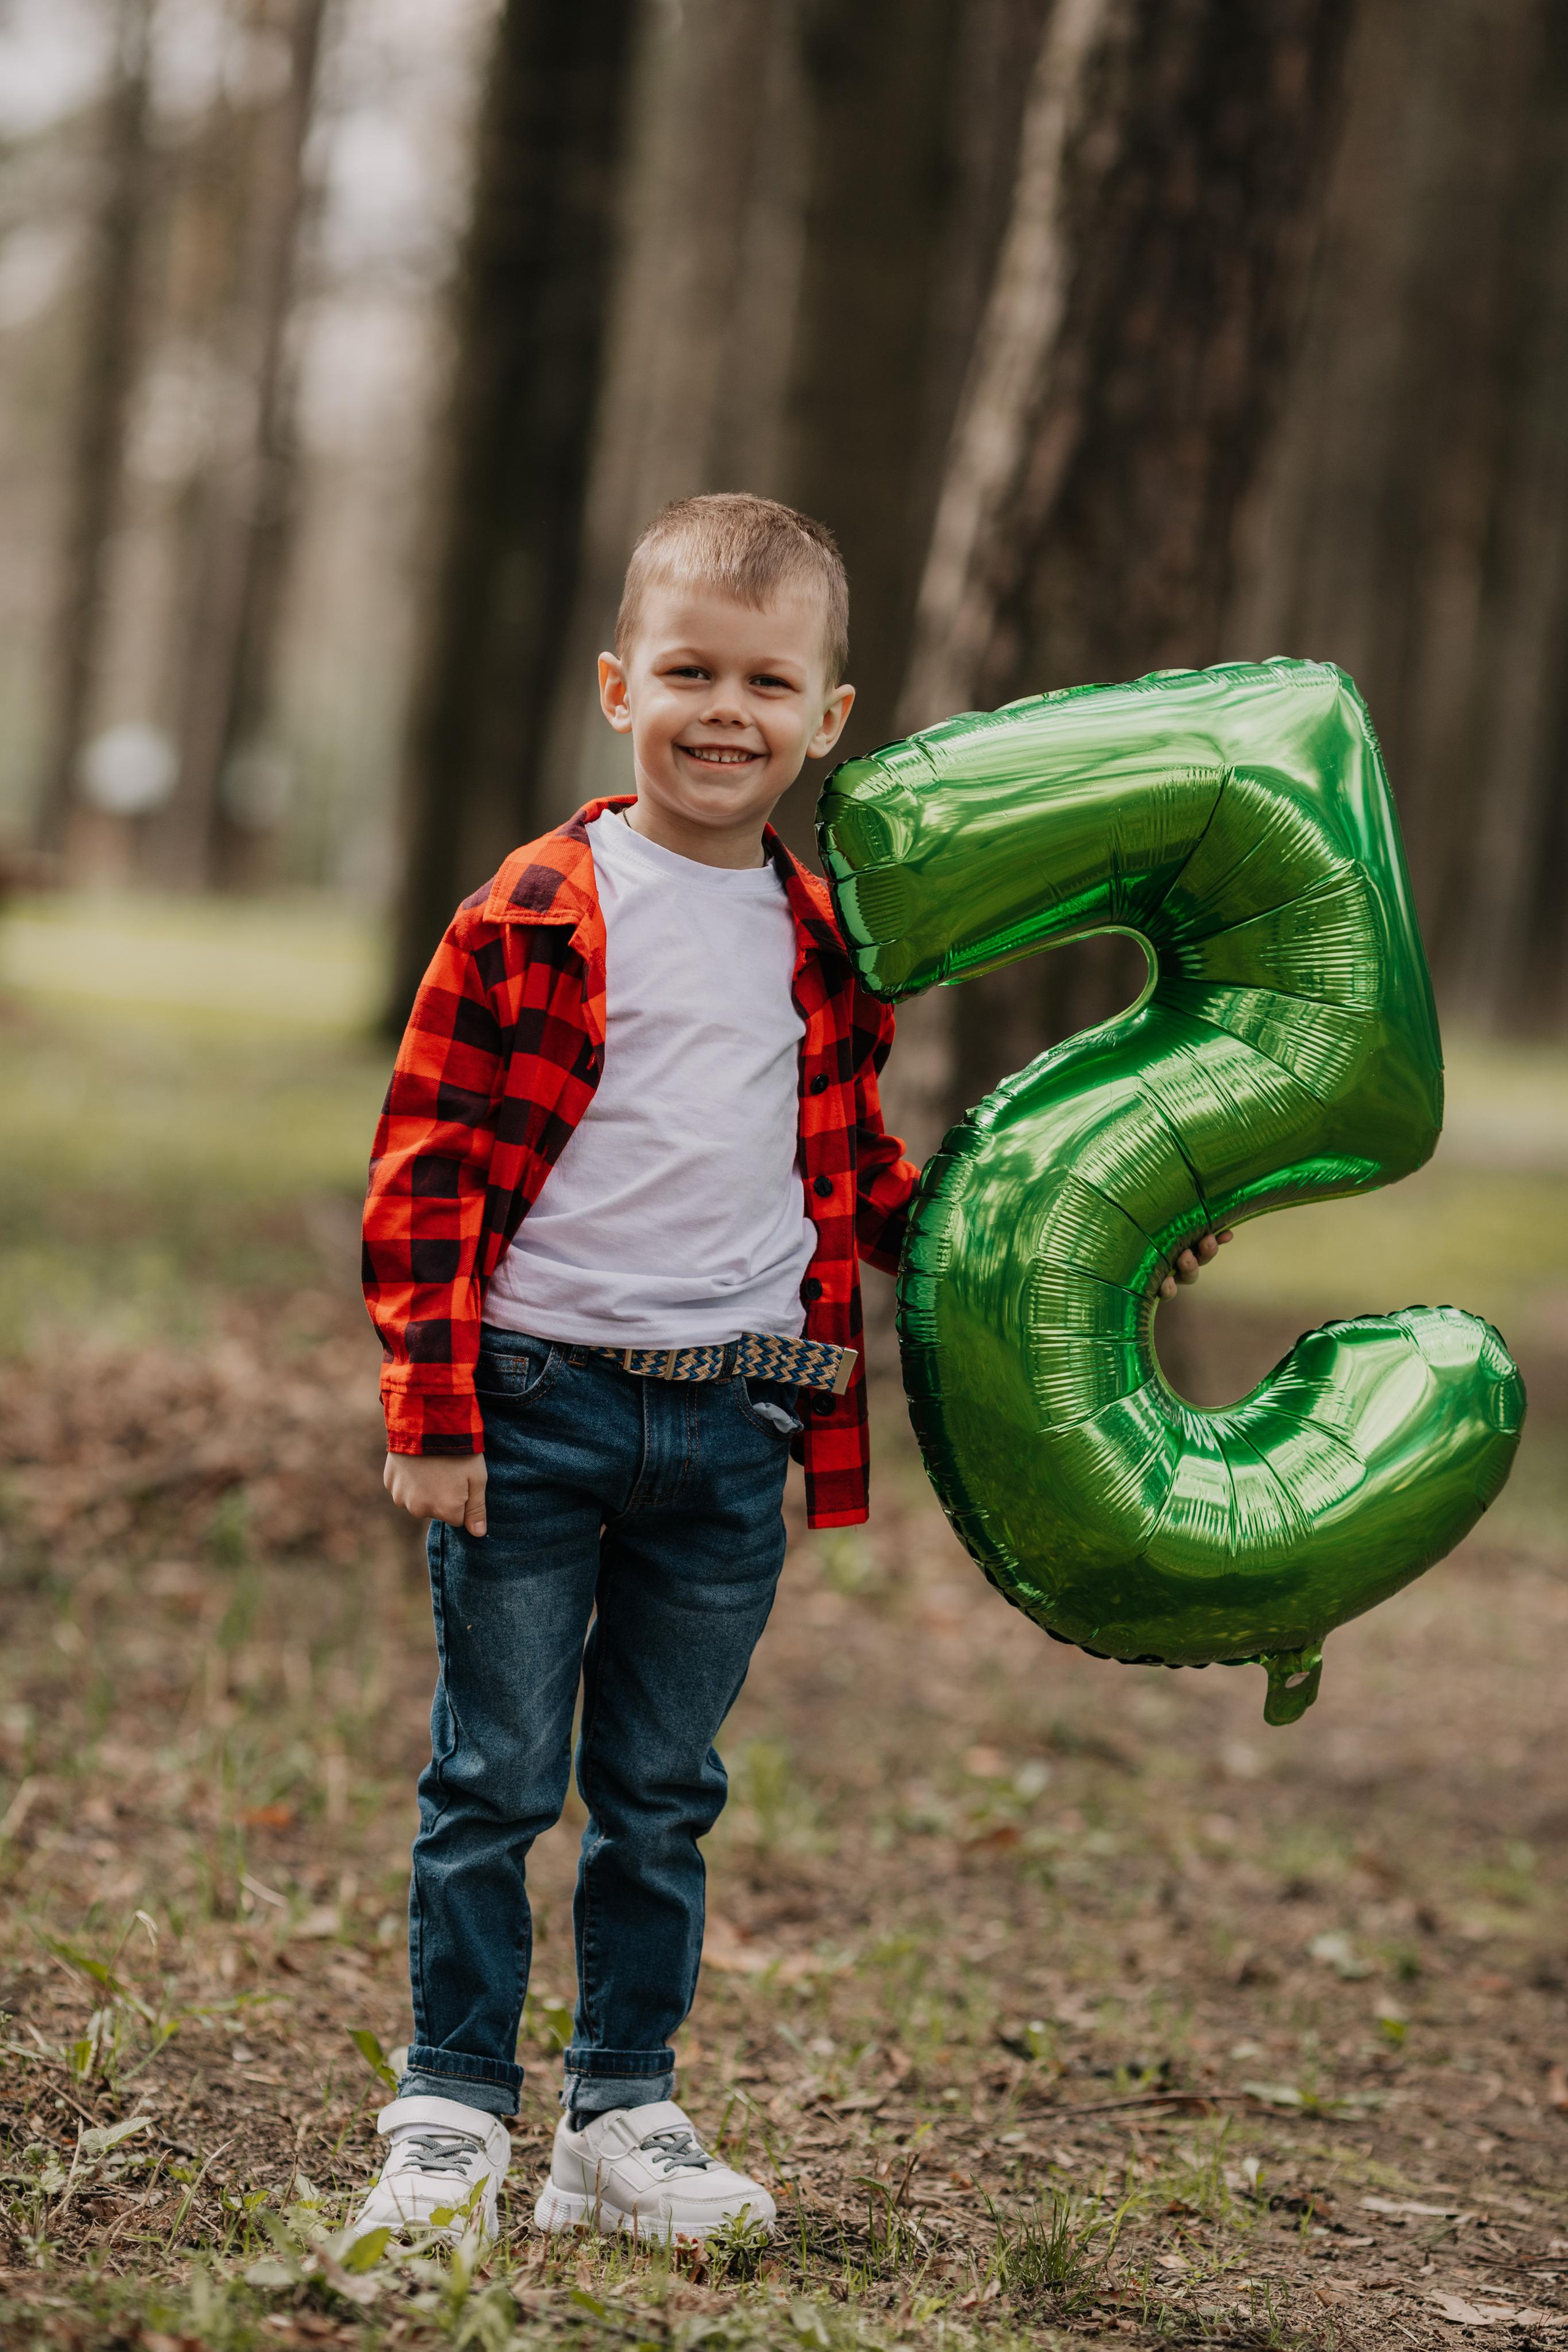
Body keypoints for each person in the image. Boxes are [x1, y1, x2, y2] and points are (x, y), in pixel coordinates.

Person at [350, 492, 1227, 2250]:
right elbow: (427, 1168)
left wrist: (1097, 1227)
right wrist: (432, 1415)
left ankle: (622, 2115)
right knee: (496, 1782)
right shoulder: (534, 908)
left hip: (741, 1417)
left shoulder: (828, 939)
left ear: (832, 719)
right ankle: (449, 2113)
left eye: (768, 681)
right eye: (688, 669)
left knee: (662, 1793)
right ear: (621, 685)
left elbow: (858, 1178)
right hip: (533, 1405)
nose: (723, 711)